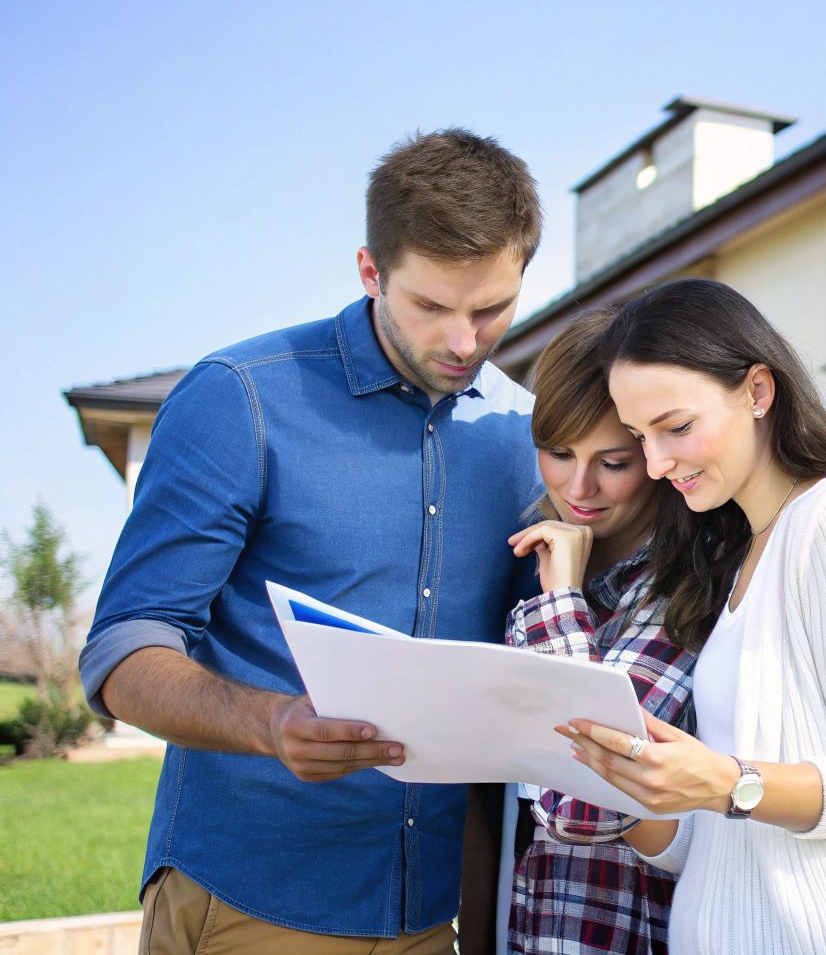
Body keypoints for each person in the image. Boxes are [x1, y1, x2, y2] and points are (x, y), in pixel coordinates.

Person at [79, 129, 545, 954]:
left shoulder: (525, 434)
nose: (465, 342)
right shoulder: (241, 399)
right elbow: (124, 650)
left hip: (435, 913)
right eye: (431, 307)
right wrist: (272, 723)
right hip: (253, 897)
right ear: (370, 271)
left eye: (491, 309)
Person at [564, 278, 826, 954]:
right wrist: (626, 789)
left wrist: (726, 781)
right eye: (642, 436)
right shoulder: (733, 560)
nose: (657, 461)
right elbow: (723, 841)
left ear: (758, 391)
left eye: (676, 427)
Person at [500, 308, 696, 954]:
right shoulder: (533, 557)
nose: (577, 486)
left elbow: (590, 803)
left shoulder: (685, 587)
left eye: (612, 461)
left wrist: (559, 599)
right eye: (558, 454)